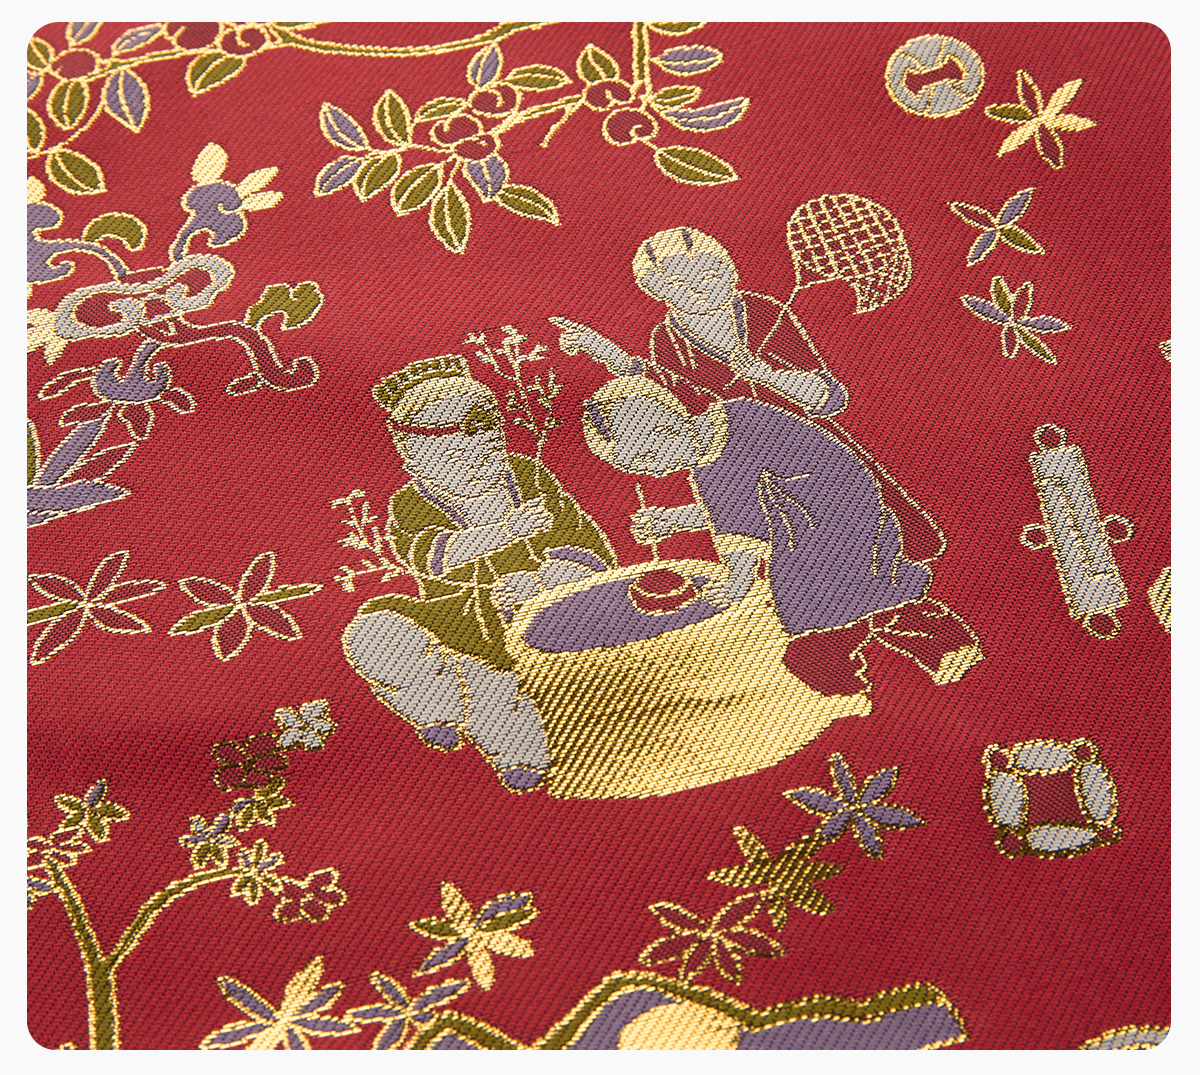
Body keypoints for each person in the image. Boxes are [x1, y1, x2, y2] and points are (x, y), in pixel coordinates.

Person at [551, 224, 945, 564]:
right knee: (790, 542)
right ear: (655, 291)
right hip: (738, 455)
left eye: (709, 275)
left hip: (807, 446)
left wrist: (762, 372)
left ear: (731, 272)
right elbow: (676, 402)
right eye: (678, 285)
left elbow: (827, 399)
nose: (699, 291)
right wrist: (611, 357)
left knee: (864, 528)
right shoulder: (667, 340)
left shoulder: (763, 314)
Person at [581, 375, 984, 696]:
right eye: (635, 468)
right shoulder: (723, 436)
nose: (651, 473)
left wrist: (736, 584)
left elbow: (741, 522)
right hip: (826, 522)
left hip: (836, 527)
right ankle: (890, 647)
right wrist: (675, 520)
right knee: (835, 597)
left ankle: (926, 643)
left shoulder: (728, 445)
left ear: (667, 427)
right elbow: (751, 503)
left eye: (646, 458)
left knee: (826, 597)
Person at [342, 354, 616, 792]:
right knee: (374, 632)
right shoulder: (411, 502)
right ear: (413, 459)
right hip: (461, 619)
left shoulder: (527, 475)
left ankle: (518, 744)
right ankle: (436, 702)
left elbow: (583, 540)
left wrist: (544, 580)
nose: (475, 461)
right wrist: (506, 531)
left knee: (502, 679)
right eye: (452, 455)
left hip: (544, 608)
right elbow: (429, 556)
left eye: (487, 446)